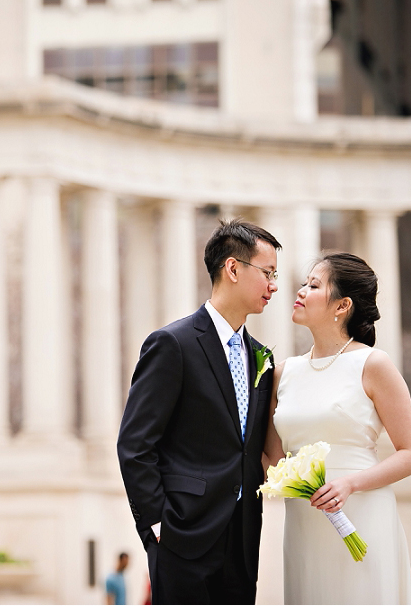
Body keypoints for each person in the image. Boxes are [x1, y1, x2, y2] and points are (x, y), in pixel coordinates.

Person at [118, 218, 282, 604]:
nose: (274, 285)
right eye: (268, 273)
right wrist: (157, 525)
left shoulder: (262, 357)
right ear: (233, 268)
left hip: (242, 539)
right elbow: (135, 444)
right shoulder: (171, 344)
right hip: (182, 536)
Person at [264, 252, 411, 604]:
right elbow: (273, 462)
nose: (301, 290)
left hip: (364, 514)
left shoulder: (373, 364)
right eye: (305, 283)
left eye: (314, 285)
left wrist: (350, 483)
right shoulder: (282, 373)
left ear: (343, 306)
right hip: (305, 526)